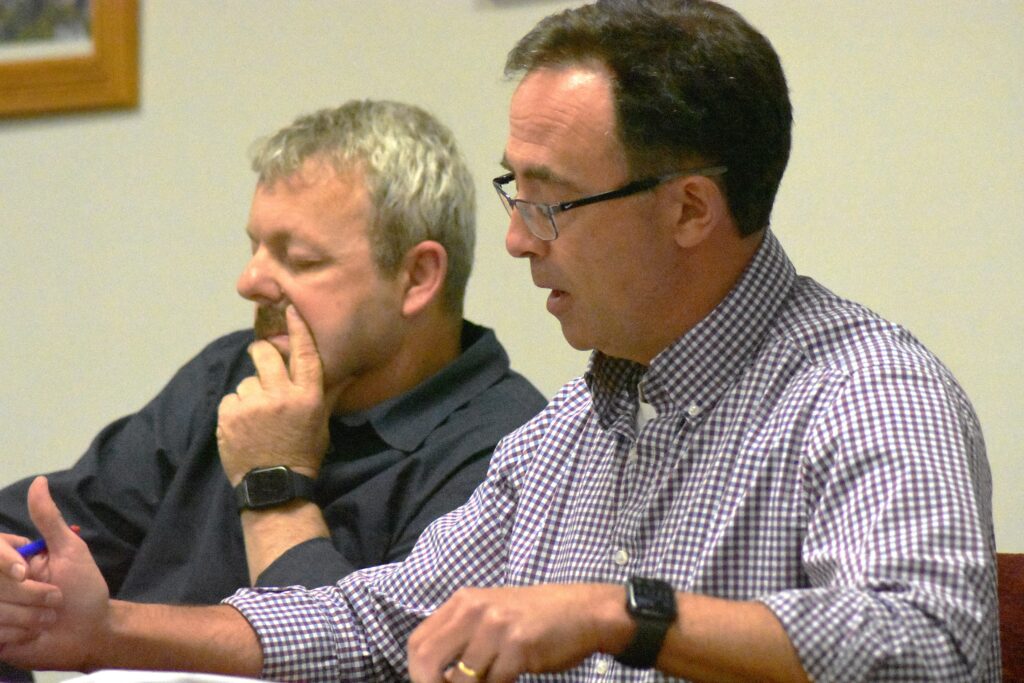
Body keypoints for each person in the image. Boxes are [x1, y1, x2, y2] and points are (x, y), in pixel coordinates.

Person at [0, 1, 1000, 681]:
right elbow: (377, 621)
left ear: (690, 207)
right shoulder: (572, 429)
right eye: (514, 191)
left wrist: (623, 611)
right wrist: (107, 629)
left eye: (550, 201)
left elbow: (932, 645)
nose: (518, 239)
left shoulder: (867, 389)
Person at [0, 100, 545, 672]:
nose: (250, 281)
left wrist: (273, 483)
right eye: (255, 247)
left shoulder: (510, 448)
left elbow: (365, 662)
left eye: (299, 259)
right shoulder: (233, 372)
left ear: (417, 277)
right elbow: (65, 523)